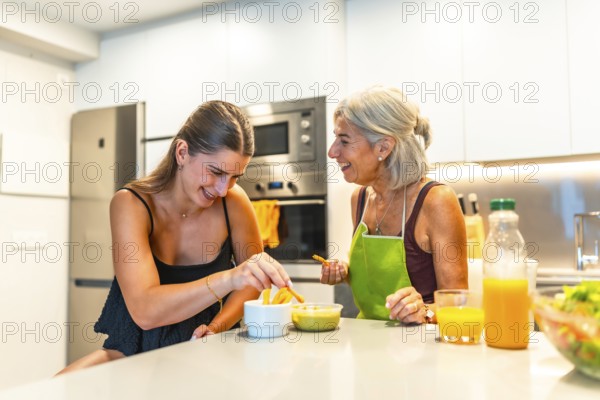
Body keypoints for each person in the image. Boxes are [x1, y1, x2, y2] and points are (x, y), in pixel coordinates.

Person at [58, 100, 291, 374]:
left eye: (234, 177)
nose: (222, 188)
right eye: (216, 172)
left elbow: (252, 282)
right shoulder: (131, 205)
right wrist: (230, 277)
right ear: (182, 152)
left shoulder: (234, 203)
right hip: (132, 356)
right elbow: (146, 311)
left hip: (208, 355)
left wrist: (218, 327)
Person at [321, 86, 467, 324]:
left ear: (383, 147)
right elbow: (377, 279)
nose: (332, 152)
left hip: (424, 351)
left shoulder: (436, 201)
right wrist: (344, 271)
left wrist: (426, 312)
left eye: (344, 141)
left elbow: (458, 305)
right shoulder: (359, 199)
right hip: (368, 348)